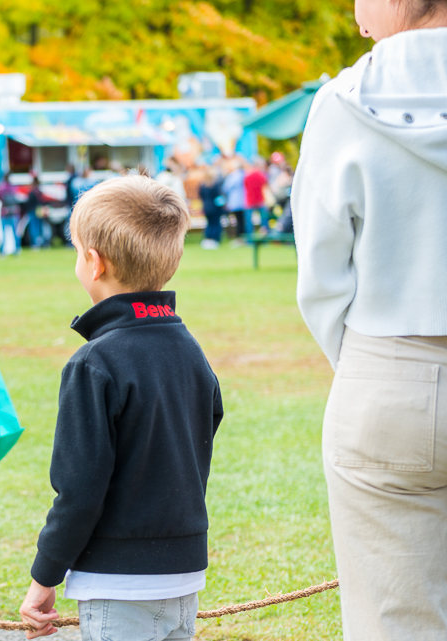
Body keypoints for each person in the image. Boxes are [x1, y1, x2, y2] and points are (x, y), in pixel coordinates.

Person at [292, 3, 447, 640]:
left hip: (388, 368)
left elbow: (322, 277)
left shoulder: (341, 102)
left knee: (394, 620)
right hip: (388, 363)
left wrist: (366, 368)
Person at [19, 176, 224, 640]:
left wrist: (44, 578)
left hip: (119, 585)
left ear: (93, 262)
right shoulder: (190, 349)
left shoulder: (95, 363)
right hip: (183, 573)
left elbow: (79, 490)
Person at [198, 165, 225, 249]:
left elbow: (201, 195)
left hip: (206, 207)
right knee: (216, 223)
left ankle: (209, 238)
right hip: (215, 207)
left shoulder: (203, 185)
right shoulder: (215, 185)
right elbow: (218, 197)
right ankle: (215, 239)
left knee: (209, 223)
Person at [221, 158, 247, 237]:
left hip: (235, 202)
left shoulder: (232, 176)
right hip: (244, 202)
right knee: (242, 220)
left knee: (238, 220)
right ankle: (243, 235)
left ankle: (240, 236)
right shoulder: (244, 174)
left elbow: (225, 188)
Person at [0, 171, 22, 255]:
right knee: (15, 232)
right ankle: (17, 250)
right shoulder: (14, 187)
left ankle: (2, 251)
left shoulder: (2, 187)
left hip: (4, 212)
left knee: (3, 233)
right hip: (14, 212)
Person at [243, 158, 270, 233]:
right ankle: (264, 235)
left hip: (250, 200)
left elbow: (245, 186)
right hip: (260, 199)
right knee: (264, 219)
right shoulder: (262, 175)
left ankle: (250, 237)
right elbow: (265, 186)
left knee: (249, 221)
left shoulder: (247, 175)